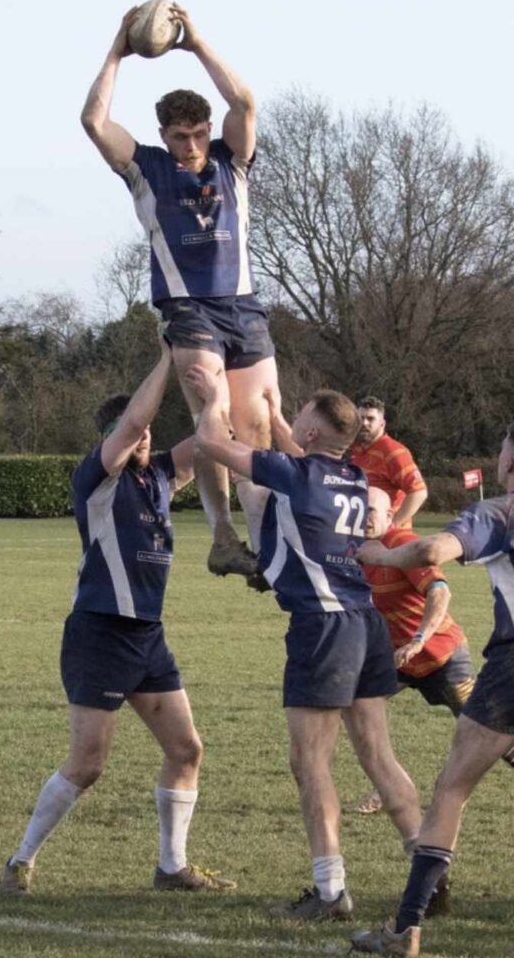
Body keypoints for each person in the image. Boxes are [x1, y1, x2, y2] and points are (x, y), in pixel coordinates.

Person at [0, 343, 236, 896]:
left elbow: (210, 439)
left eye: (150, 433)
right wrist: (164, 358)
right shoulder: (96, 479)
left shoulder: (156, 479)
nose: (145, 437)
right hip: (100, 632)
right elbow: (133, 421)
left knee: (186, 750)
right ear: (107, 438)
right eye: (133, 432)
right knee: (88, 765)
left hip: (147, 635)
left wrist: (212, 386)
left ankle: (171, 867)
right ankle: (20, 860)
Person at [186, 367, 422, 921]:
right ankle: (428, 871)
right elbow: (309, 459)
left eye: (299, 420)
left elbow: (209, 444)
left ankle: (329, 890)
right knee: (378, 756)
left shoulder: (295, 475)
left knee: (310, 763)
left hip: (322, 627)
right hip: (366, 623)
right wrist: (273, 413)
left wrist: (214, 396)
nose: (290, 426)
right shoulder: (355, 479)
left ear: (313, 433)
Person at [80, 2, 278, 585]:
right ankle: (222, 537)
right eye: (178, 136)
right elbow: (94, 122)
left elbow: (244, 103)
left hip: (243, 306)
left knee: (260, 426)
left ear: (208, 131)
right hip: (186, 308)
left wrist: (198, 44)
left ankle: (267, 548)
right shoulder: (146, 169)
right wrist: (118, 48)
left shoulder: (232, 162)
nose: (190, 145)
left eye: (197, 134)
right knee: (211, 418)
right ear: (163, 136)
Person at [351, 423, 514, 956]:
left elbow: (428, 553)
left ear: (507, 458)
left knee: (452, 788)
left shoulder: (497, 512)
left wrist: (381, 556)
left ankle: (405, 929)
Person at [347, 485, 476, 820]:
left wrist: (418, 639)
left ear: (391, 515)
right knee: (359, 711)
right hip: (395, 660)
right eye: (359, 510)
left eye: (372, 511)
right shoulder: (355, 549)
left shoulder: (403, 546)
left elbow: (440, 592)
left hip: (440, 656)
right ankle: (388, 788)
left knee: (491, 735)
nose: (365, 518)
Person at [350, 397, 428, 528]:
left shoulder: (393, 451)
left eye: (370, 419)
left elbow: (419, 492)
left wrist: (392, 525)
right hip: (363, 533)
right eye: (361, 418)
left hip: (388, 540)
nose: (364, 423)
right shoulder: (354, 448)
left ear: (382, 424)